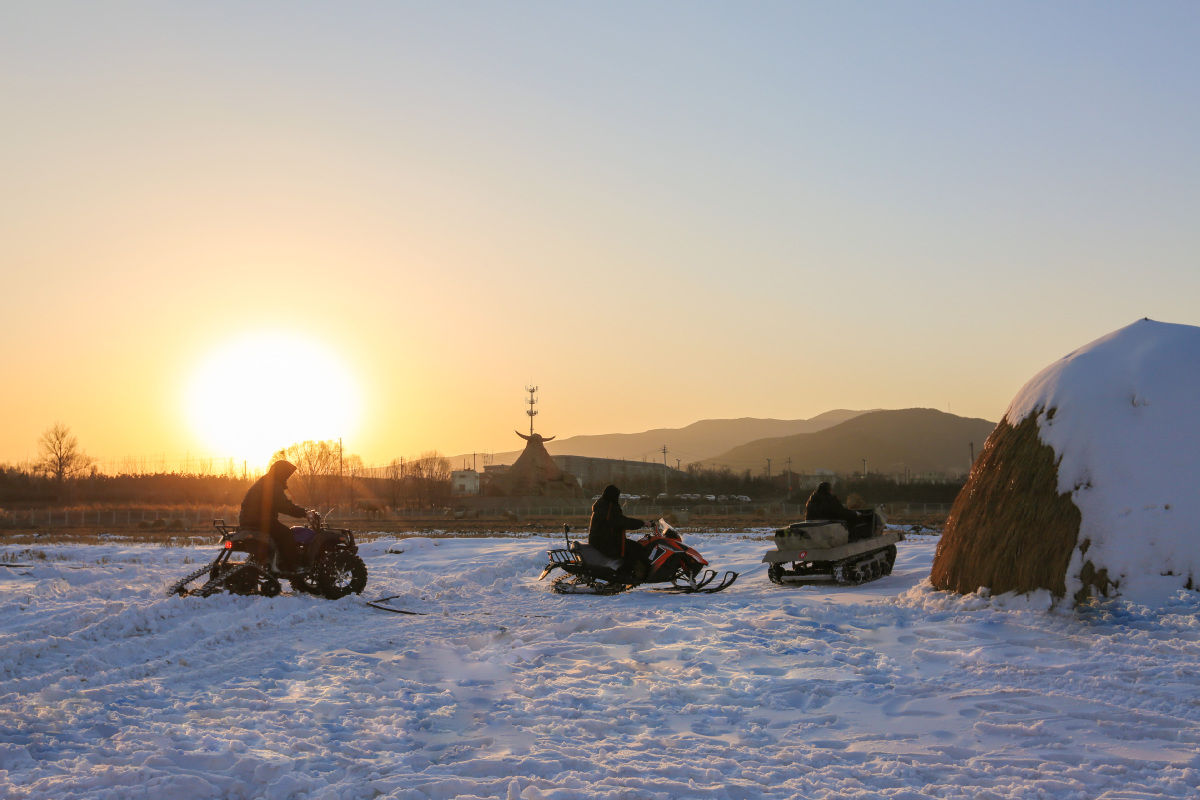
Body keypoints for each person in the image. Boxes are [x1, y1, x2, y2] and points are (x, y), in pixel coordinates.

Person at [239, 459, 309, 573]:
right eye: (287, 474)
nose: (287, 477)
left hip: (247, 519)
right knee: (286, 534)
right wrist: (304, 513)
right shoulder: (273, 484)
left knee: (279, 532)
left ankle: (275, 561)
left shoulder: (266, 481)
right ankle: (293, 566)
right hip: (261, 520)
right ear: (282, 473)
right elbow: (284, 506)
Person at [588, 484, 647, 579]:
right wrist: (642, 523)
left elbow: (618, 521)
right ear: (612, 496)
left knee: (633, 547)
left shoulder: (603, 504)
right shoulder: (608, 506)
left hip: (603, 539)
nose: (618, 498)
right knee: (636, 549)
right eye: (617, 496)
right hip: (605, 542)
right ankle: (624, 575)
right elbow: (620, 521)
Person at [804, 481, 873, 539]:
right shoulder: (830, 499)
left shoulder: (811, 501)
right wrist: (855, 514)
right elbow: (840, 512)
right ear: (829, 490)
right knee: (855, 521)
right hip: (829, 528)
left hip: (814, 528)